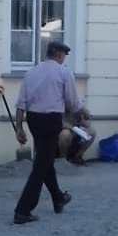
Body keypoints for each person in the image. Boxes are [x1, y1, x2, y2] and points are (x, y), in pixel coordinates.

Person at [13, 41, 81, 224]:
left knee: (45, 159)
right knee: (41, 165)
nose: (64, 59)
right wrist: (83, 112)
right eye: (64, 55)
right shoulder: (64, 72)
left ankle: (58, 197)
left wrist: (18, 127)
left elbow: (21, 103)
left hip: (33, 120)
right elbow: (73, 102)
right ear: (59, 54)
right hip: (51, 120)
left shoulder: (31, 72)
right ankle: (23, 210)